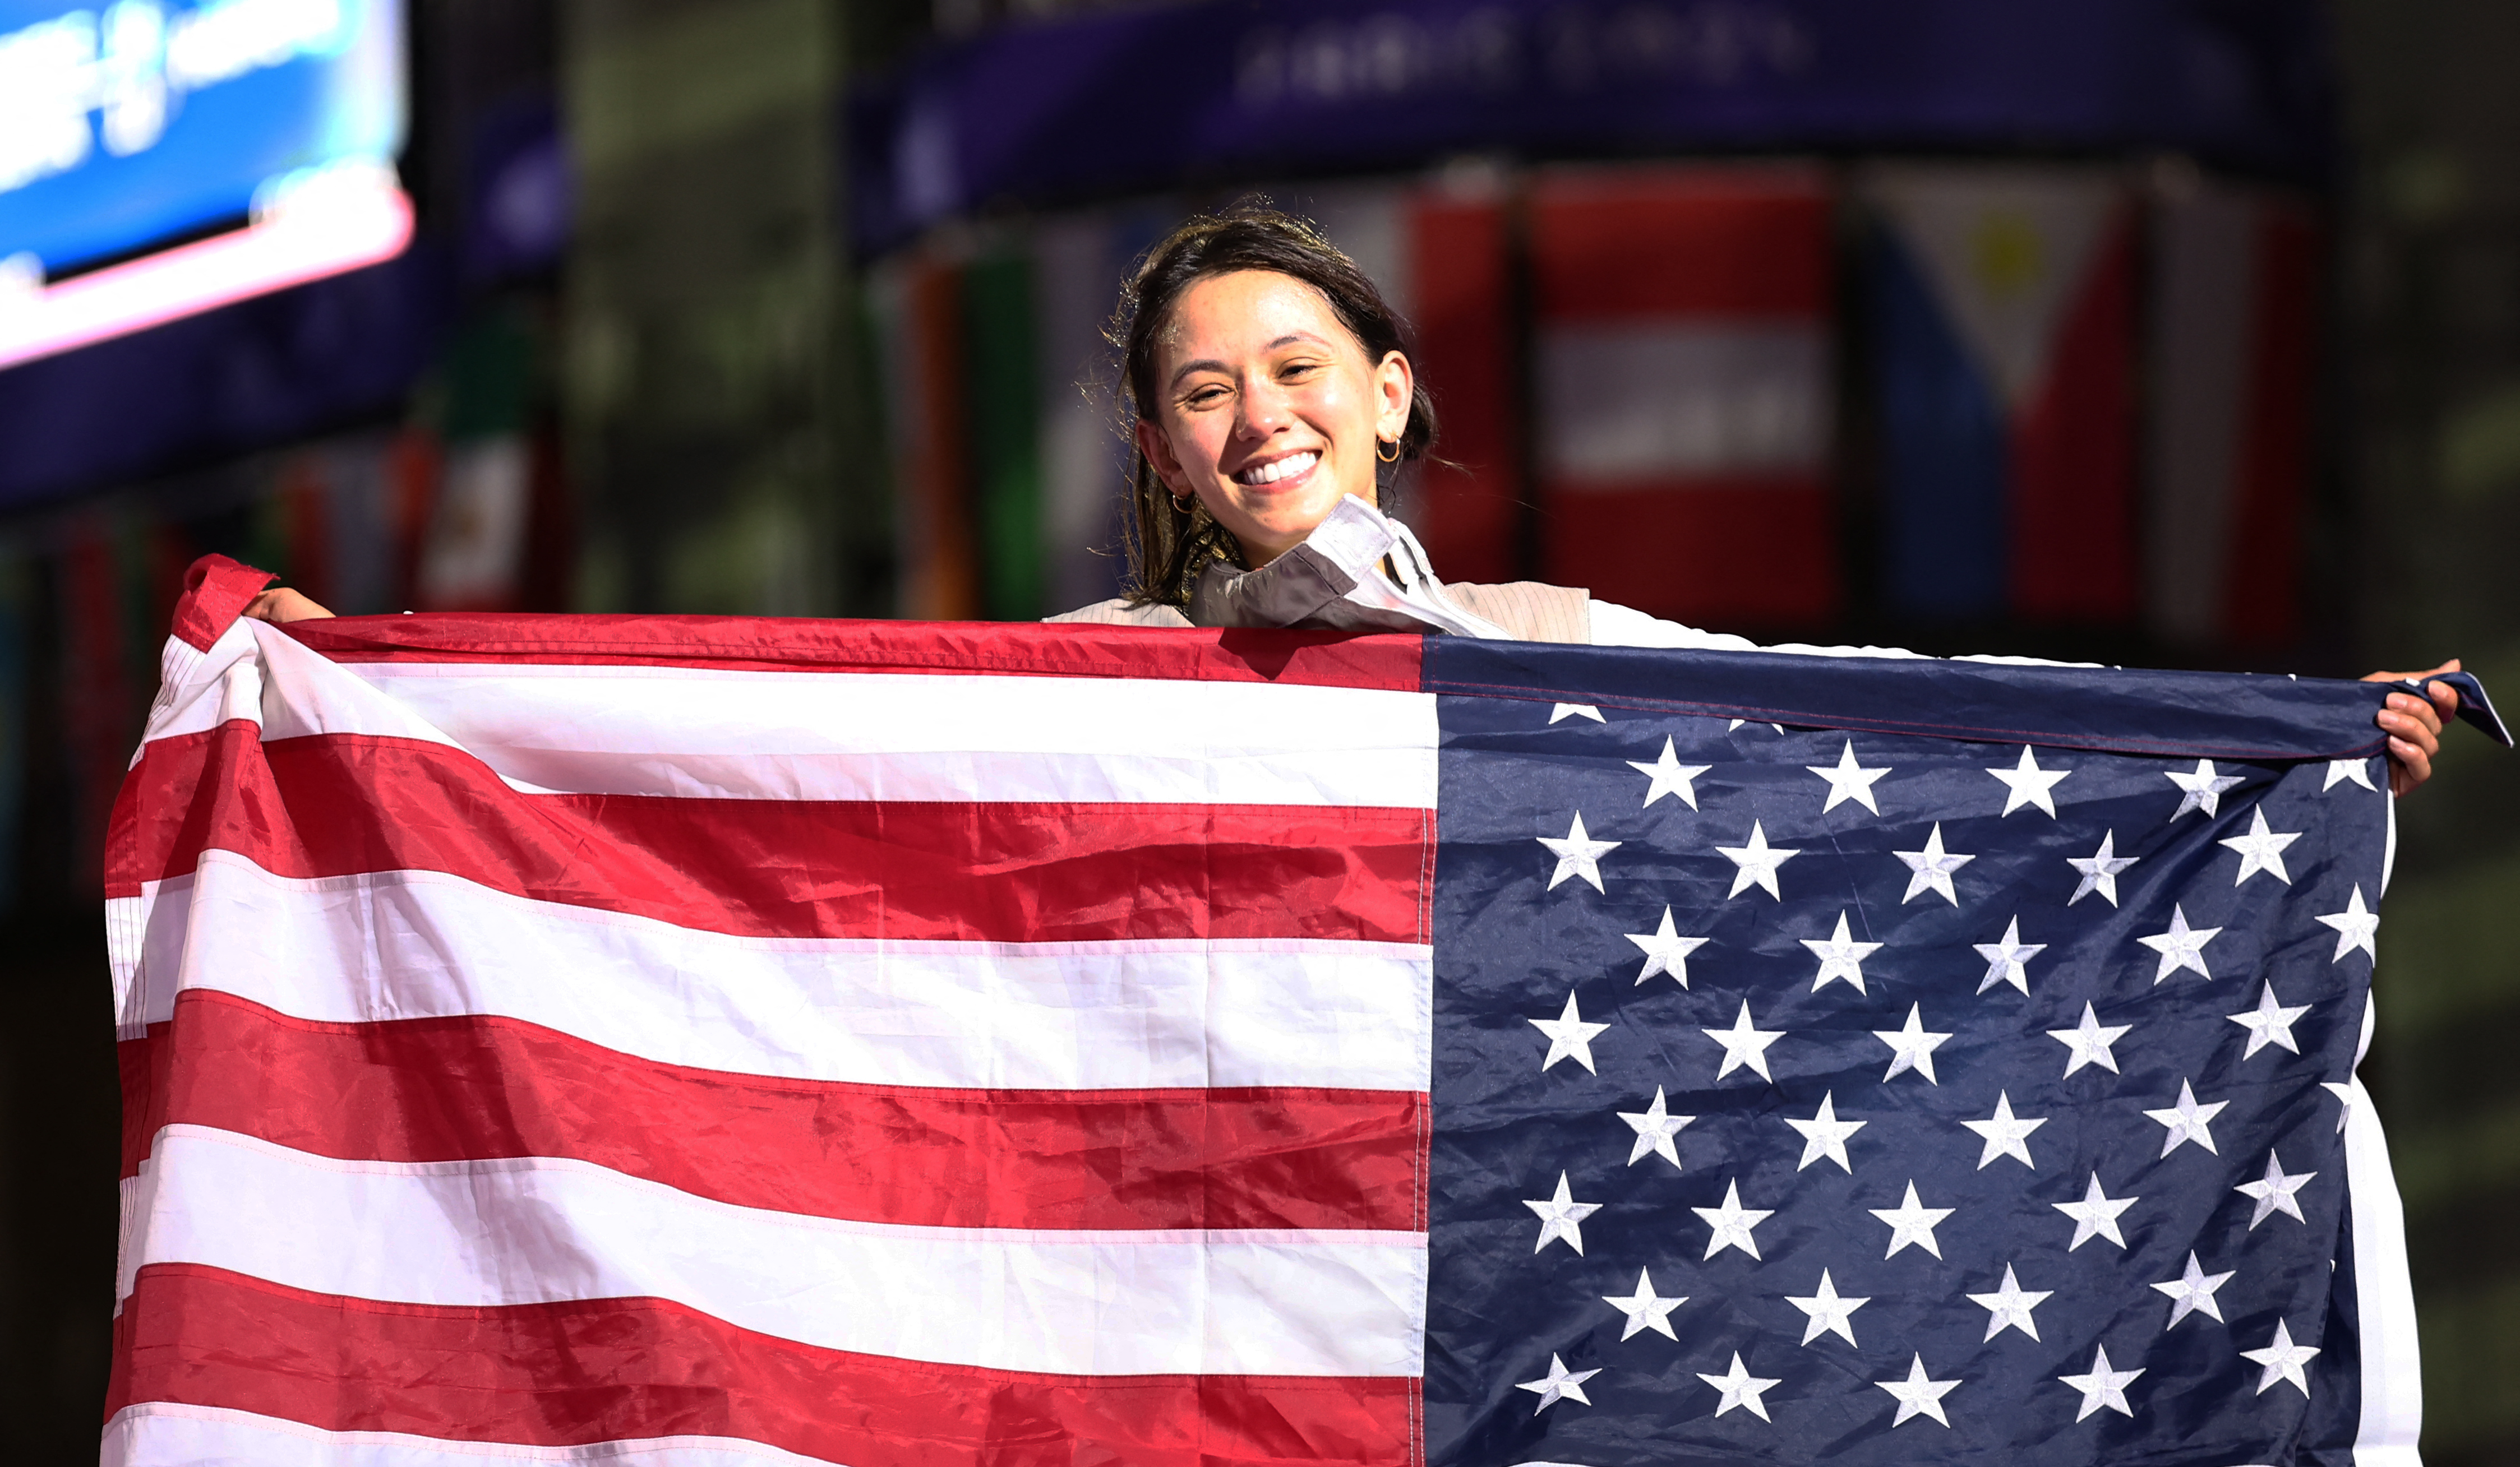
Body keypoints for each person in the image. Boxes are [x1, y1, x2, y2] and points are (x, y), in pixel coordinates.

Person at [243, 202, 2464, 793]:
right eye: (1197, 391)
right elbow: (752, 729)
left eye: (1292, 369)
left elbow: (1870, 704)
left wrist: (2255, 728)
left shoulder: (1548, 640)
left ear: (1387, 392)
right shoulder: (1071, 680)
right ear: (1150, 449)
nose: (1252, 417)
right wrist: (357, 698)